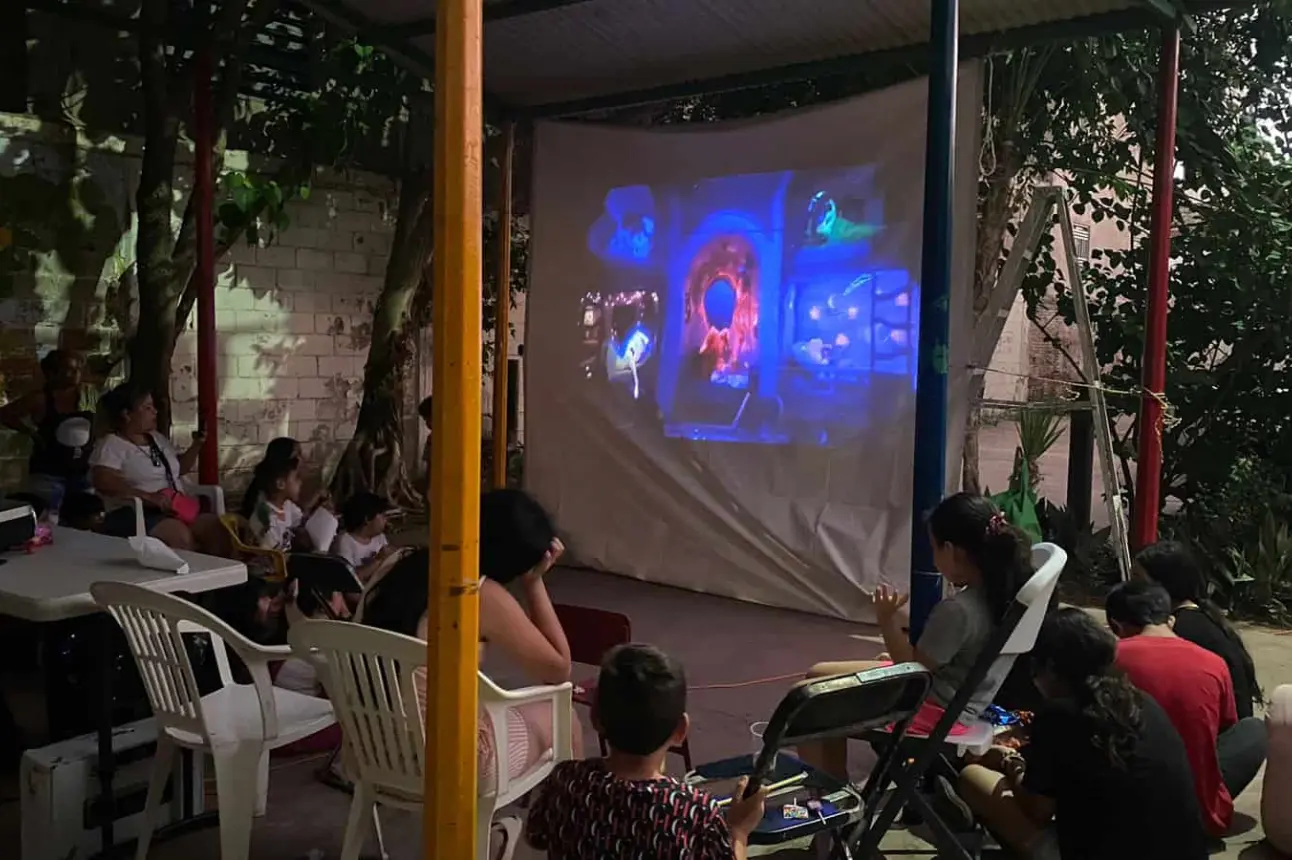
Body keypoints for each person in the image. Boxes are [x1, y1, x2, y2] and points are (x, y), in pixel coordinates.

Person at [800, 493, 1033, 779]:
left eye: (934, 548)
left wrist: (886, 620)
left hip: (929, 706)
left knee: (809, 703)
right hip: (953, 699)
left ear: (952, 551)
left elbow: (910, 668)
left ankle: (830, 797)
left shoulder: (959, 611)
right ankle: (834, 785)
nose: (933, 558)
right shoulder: (1000, 594)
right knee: (817, 675)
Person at [362, 488, 580, 784]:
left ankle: (502, 831)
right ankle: (566, 823)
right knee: (564, 715)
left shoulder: (398, 562)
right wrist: (534, 582)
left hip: (374, 745)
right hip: (451, 763)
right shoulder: (478, 594)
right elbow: (558, 671)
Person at [955, 608, 1208, 860]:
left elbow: (1038, 810)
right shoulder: (1140, 701)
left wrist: (1009, 762)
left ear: (1051, 667)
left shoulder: (1059, 715)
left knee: (973, 777)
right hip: (1183, 849)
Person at [526, 643, 768, 859]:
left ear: (595, 717)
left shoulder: (566, 779)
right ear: (680, 731)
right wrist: (738, 831)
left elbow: (536, 836)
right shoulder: (694, 810)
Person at [1105, 579, 1267, 837]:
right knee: (1254, 729)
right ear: (1170, 619)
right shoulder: (1214, 663)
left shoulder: (1108, 658)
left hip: (1122, 815)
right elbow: (1224, 726)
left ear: (1116, 625)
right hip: (1197, 817)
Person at [89, 383, 223, 552]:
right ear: (127, 414)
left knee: (218, 530)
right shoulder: (112, 444)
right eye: (147, 408)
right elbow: (103, 480)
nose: (155, 411)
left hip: (175, 508)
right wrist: (147, 497)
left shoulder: (157, 439)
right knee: (181, 538)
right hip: (137, 513)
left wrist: (197, 444)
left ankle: (220, 577)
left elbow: (178, 470)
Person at [1134, 541, 1261, 717]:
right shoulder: (1206, 620)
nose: (1132, 590)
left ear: (1164, 585)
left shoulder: (1177, 633)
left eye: (1139, 582)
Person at [0, 349, 95, 510]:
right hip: (49, 472)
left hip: (82, 471)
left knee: (82, 517)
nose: (76, 374)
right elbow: (4, 414)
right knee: (47, 517)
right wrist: (31, 432)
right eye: (70, 370)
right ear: (52, 373)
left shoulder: (88, 396)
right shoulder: (40, 399)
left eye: (78, 369)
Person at [332, 491, 395, 583]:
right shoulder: (345, 542)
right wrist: (379, 560)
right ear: (367, 519)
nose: (386, 520)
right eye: (383, 516)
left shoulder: (379, 538)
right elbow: (349, 579)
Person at [239, 437, 304, 519]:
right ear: (280, 483)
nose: (301, 459)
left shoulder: (286, 506)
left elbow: (302, 520)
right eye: (297, 477)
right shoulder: (267, 519)